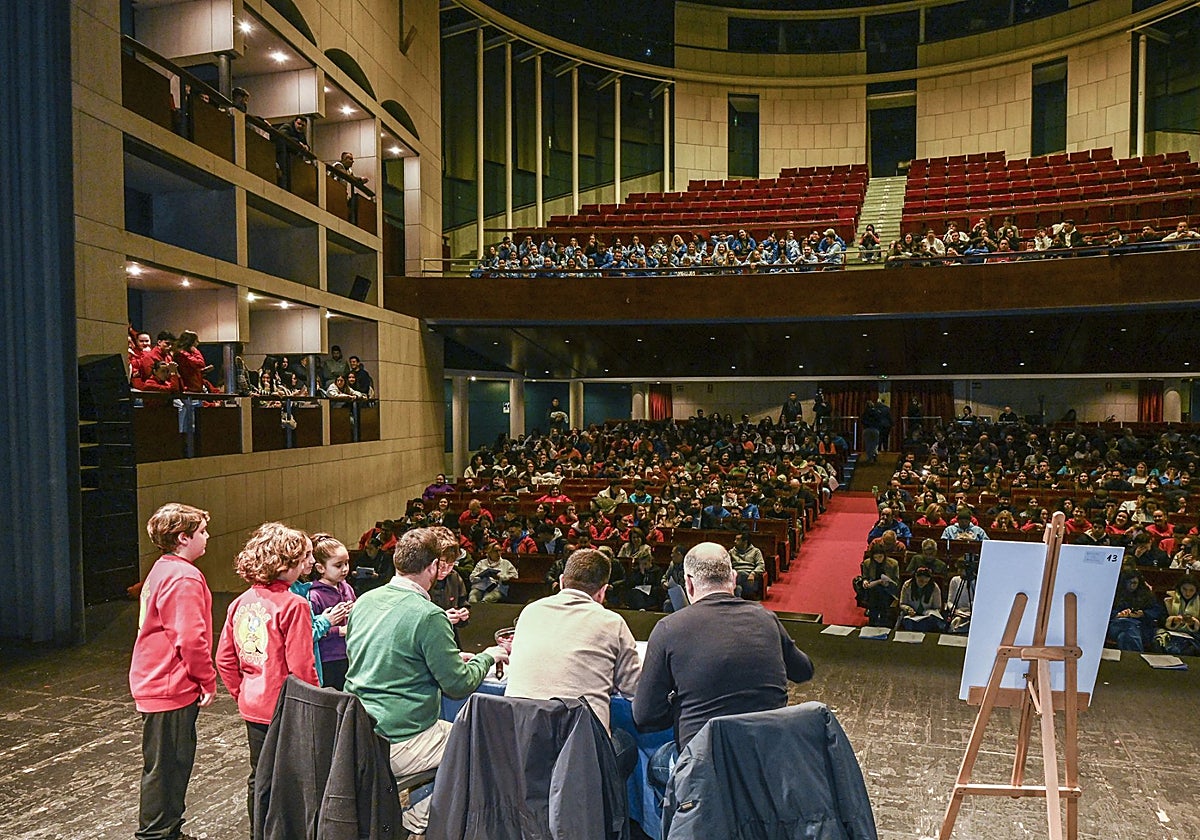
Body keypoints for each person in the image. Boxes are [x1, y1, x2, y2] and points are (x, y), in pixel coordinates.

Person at [344, 526, 508, 836]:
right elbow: (457, 686)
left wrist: (444, 657)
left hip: (356, 734)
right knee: (488, 748)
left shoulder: (365, 600)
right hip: (401, 738)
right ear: (433, 567)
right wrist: (487, 656)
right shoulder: (430, 615)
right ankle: (412, 819)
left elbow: (385, 655)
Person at [634, 542, 814, 800]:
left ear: (689, 583)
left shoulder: (668, 629)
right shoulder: (766, 619)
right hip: (768, 758)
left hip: (706, 766)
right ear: (733, 578)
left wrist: (680, 706)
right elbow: (804, 670)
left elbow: (644, 716)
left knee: (657, 764)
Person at [216, 522, 320, 826]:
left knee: (259, 776)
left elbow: (224, 658)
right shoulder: (294, 605)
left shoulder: (240, 602)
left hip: (254, 705)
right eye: (302, 560)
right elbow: (301, 666)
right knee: (291, 779)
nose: (306, 565)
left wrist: (242, 693)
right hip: (286, 708)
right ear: (285, 564)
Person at [504, 549, 642, 776]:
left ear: (560, 582)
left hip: (519, 742)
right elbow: (634, 688)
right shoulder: (612, 622)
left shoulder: (529, 612)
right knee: (625, 745)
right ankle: (604, 810)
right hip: (578, 748)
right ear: (603, 592)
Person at [129, 503, 217, 840]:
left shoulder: (162, 568)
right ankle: (157, 834)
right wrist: (206, 679)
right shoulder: (183, 576)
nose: (207, 537)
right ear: (183, 537)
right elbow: (190, 638)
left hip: (157, 681)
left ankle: (168, 831)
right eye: (202, 532)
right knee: (167, 768)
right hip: (169, 686)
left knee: (167, 765)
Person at [304, 534, 357, 691]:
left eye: (347, 563)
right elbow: (312, 629)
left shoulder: (346, 588)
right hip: (328, 657)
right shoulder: (314, 595)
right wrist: (338, 631)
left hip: (348, 652)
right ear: (321, 568)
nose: (345, 569)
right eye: (338, 565)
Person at [897, 567, 946, 632]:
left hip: (927, 616)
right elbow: (902, 603)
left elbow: (937, 608)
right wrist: (908, 609)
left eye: (926, 582)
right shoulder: (907, 585)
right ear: (916, 577)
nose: (923, 584)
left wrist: (928, 612)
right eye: (921, 581)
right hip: (911, 616)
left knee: (927, 623)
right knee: (908, 622)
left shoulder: (934, 588)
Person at [728, 530, 765, 599]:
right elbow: (727, 565)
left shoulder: (756, 551)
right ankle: (738, 594)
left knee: (741, 575)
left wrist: (753, 573)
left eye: (738, 540)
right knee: (738, 586)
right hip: (736, 576)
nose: (735, 541)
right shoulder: (731, 552)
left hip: (750, 578)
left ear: (745, 542)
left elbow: (761, 565)